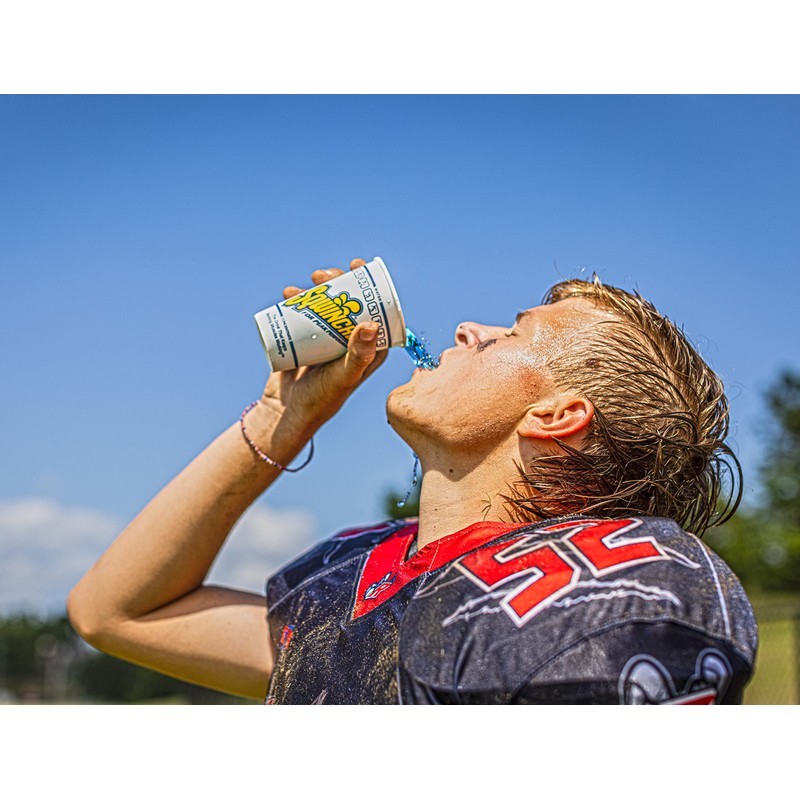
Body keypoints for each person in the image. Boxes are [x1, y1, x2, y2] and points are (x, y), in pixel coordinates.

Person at [67, 258, 758, 704]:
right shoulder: (355, 574)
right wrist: (283, 418)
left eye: (509, 335)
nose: (467, 328)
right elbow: (116, 613)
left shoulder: (612, 589)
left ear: (556, 415)